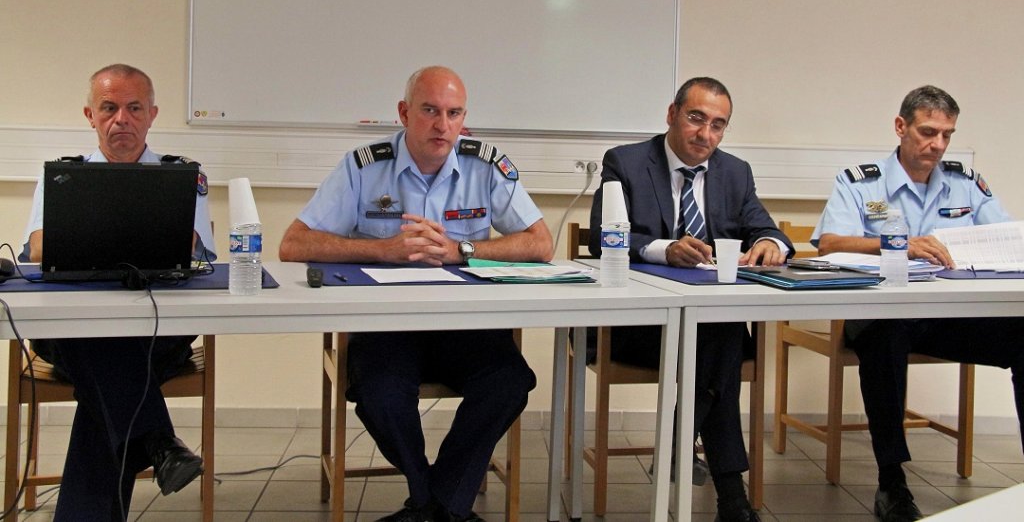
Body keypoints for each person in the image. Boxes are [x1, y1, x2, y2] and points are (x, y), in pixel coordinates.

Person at [279, 65, 553, 522]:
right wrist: (381, 251)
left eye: (453, 113)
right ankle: (438, 502)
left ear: (464, 118)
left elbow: (539, 243)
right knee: (379, 394)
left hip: (465, 325)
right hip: (390, 326)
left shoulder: (485, 166)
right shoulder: (364, 167)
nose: (442, 125)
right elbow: (294, 244)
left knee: (509, 382)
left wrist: (460, 249)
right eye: (429, 111)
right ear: (404, 112)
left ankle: (431, 505)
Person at [812, 84, 1024, 522]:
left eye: (947, 135)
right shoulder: (861, 182)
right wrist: (898, 245)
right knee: (886, 337)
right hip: (881, 311)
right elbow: (829, 244)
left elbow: (1003, 236)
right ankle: (892, 481)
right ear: (901, 127)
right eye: (929, 132)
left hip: (948, 315)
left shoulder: (966, 183)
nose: (938, 144)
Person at [589, 76, 791, 522]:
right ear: (672, 114)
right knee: (723, 341)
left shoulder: (734, 172)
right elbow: (601, 237)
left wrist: (773, 243)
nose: (706, 135)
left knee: (718, 334)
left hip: (707, 328)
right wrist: (664, 248)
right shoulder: (624, 162)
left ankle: (688, 445)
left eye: (718, 125)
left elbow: (764, 225)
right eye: (697, 119)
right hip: (638, 327)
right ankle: (728, 492)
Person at [19, 64, 215, 521]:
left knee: (108, 380)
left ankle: (152, 440)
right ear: (90, 114)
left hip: (157, 329)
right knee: (109, 353)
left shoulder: (181, 177)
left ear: (152, 115)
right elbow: (36, 247)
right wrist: (133, 235)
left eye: (133, 108)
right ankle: (159, 442)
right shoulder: (63, 176)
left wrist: (95, 235)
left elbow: (194, 249)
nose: (120, 119)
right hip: (70, 330)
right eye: (109, 108)